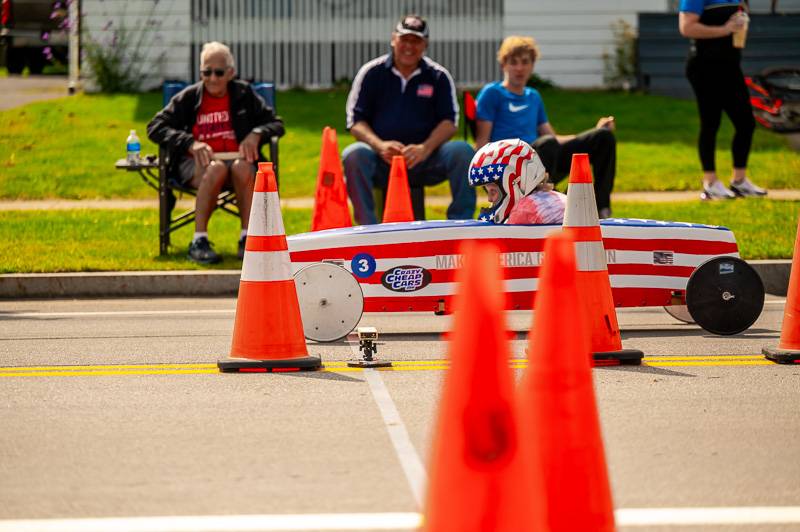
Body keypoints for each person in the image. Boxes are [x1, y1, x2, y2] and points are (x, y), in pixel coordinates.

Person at [147, 41, 284, 264]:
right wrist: (190, 143)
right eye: (206, 72)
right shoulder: (189, 97)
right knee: (216, 168)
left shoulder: (243, 94)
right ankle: (198, 241)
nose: (212, 78)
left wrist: (256, 133)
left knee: (242, 167)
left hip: (239, 164)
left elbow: (276, 124)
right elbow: (155, 127)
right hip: (198, 164)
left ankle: (248, 238)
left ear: (231, 73)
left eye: (218, 72)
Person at [343, 14, 476, 225]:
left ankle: (460, 225)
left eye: (416, 41)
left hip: (426, 160)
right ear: (393, 39)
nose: (409, 46)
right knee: (353, 154)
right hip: (382, 160)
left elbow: (450, 122)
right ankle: (366, 229)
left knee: (462, 151)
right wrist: (380, 146)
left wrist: (424, 148)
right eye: (404, 39)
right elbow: (355, 121)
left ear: (425, 45)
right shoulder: (371, 73)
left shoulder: (438, 76)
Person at [474, 36, 617, 218]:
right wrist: (490, 182)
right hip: (511, 166)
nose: (519, 68)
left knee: (603, 138)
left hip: (542, 157)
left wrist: (593, 131)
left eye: (525, 62)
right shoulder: (492, 94)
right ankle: (554, 208)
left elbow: (553, 137)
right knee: (547, 145)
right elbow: (482, 143)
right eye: (513, 62)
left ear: (532, 66)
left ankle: (599, 207)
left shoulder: (533, 96)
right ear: (503, 65)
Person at [679, 0, 767, 199]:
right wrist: (725, 29)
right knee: (711, 123)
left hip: (730, 66)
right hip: (703, 67)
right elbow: (686, 27)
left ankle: (739, 181)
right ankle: (710, 183)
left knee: (746, 123)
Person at [469, 138, 566, 225]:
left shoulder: (525, 211)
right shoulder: (553, 197)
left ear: (516, 181)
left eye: (493, 191)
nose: (489, 199)